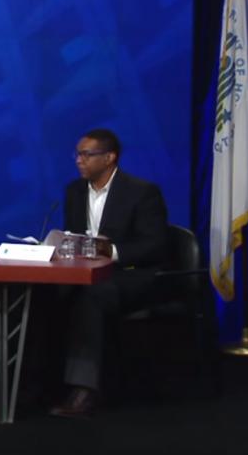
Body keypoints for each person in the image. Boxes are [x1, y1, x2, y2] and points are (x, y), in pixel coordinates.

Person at [47, 128, 169, 418]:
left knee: (91, 297)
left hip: (131, 275)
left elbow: (155, 246)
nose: (79, 160)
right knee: (48, 292)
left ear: (109, 158)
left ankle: (85, 389)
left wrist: (110, 253)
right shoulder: (74, 191)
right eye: (77, 154)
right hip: (86, 273)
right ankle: (42, 383)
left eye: (86, 155)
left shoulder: (141, 192)